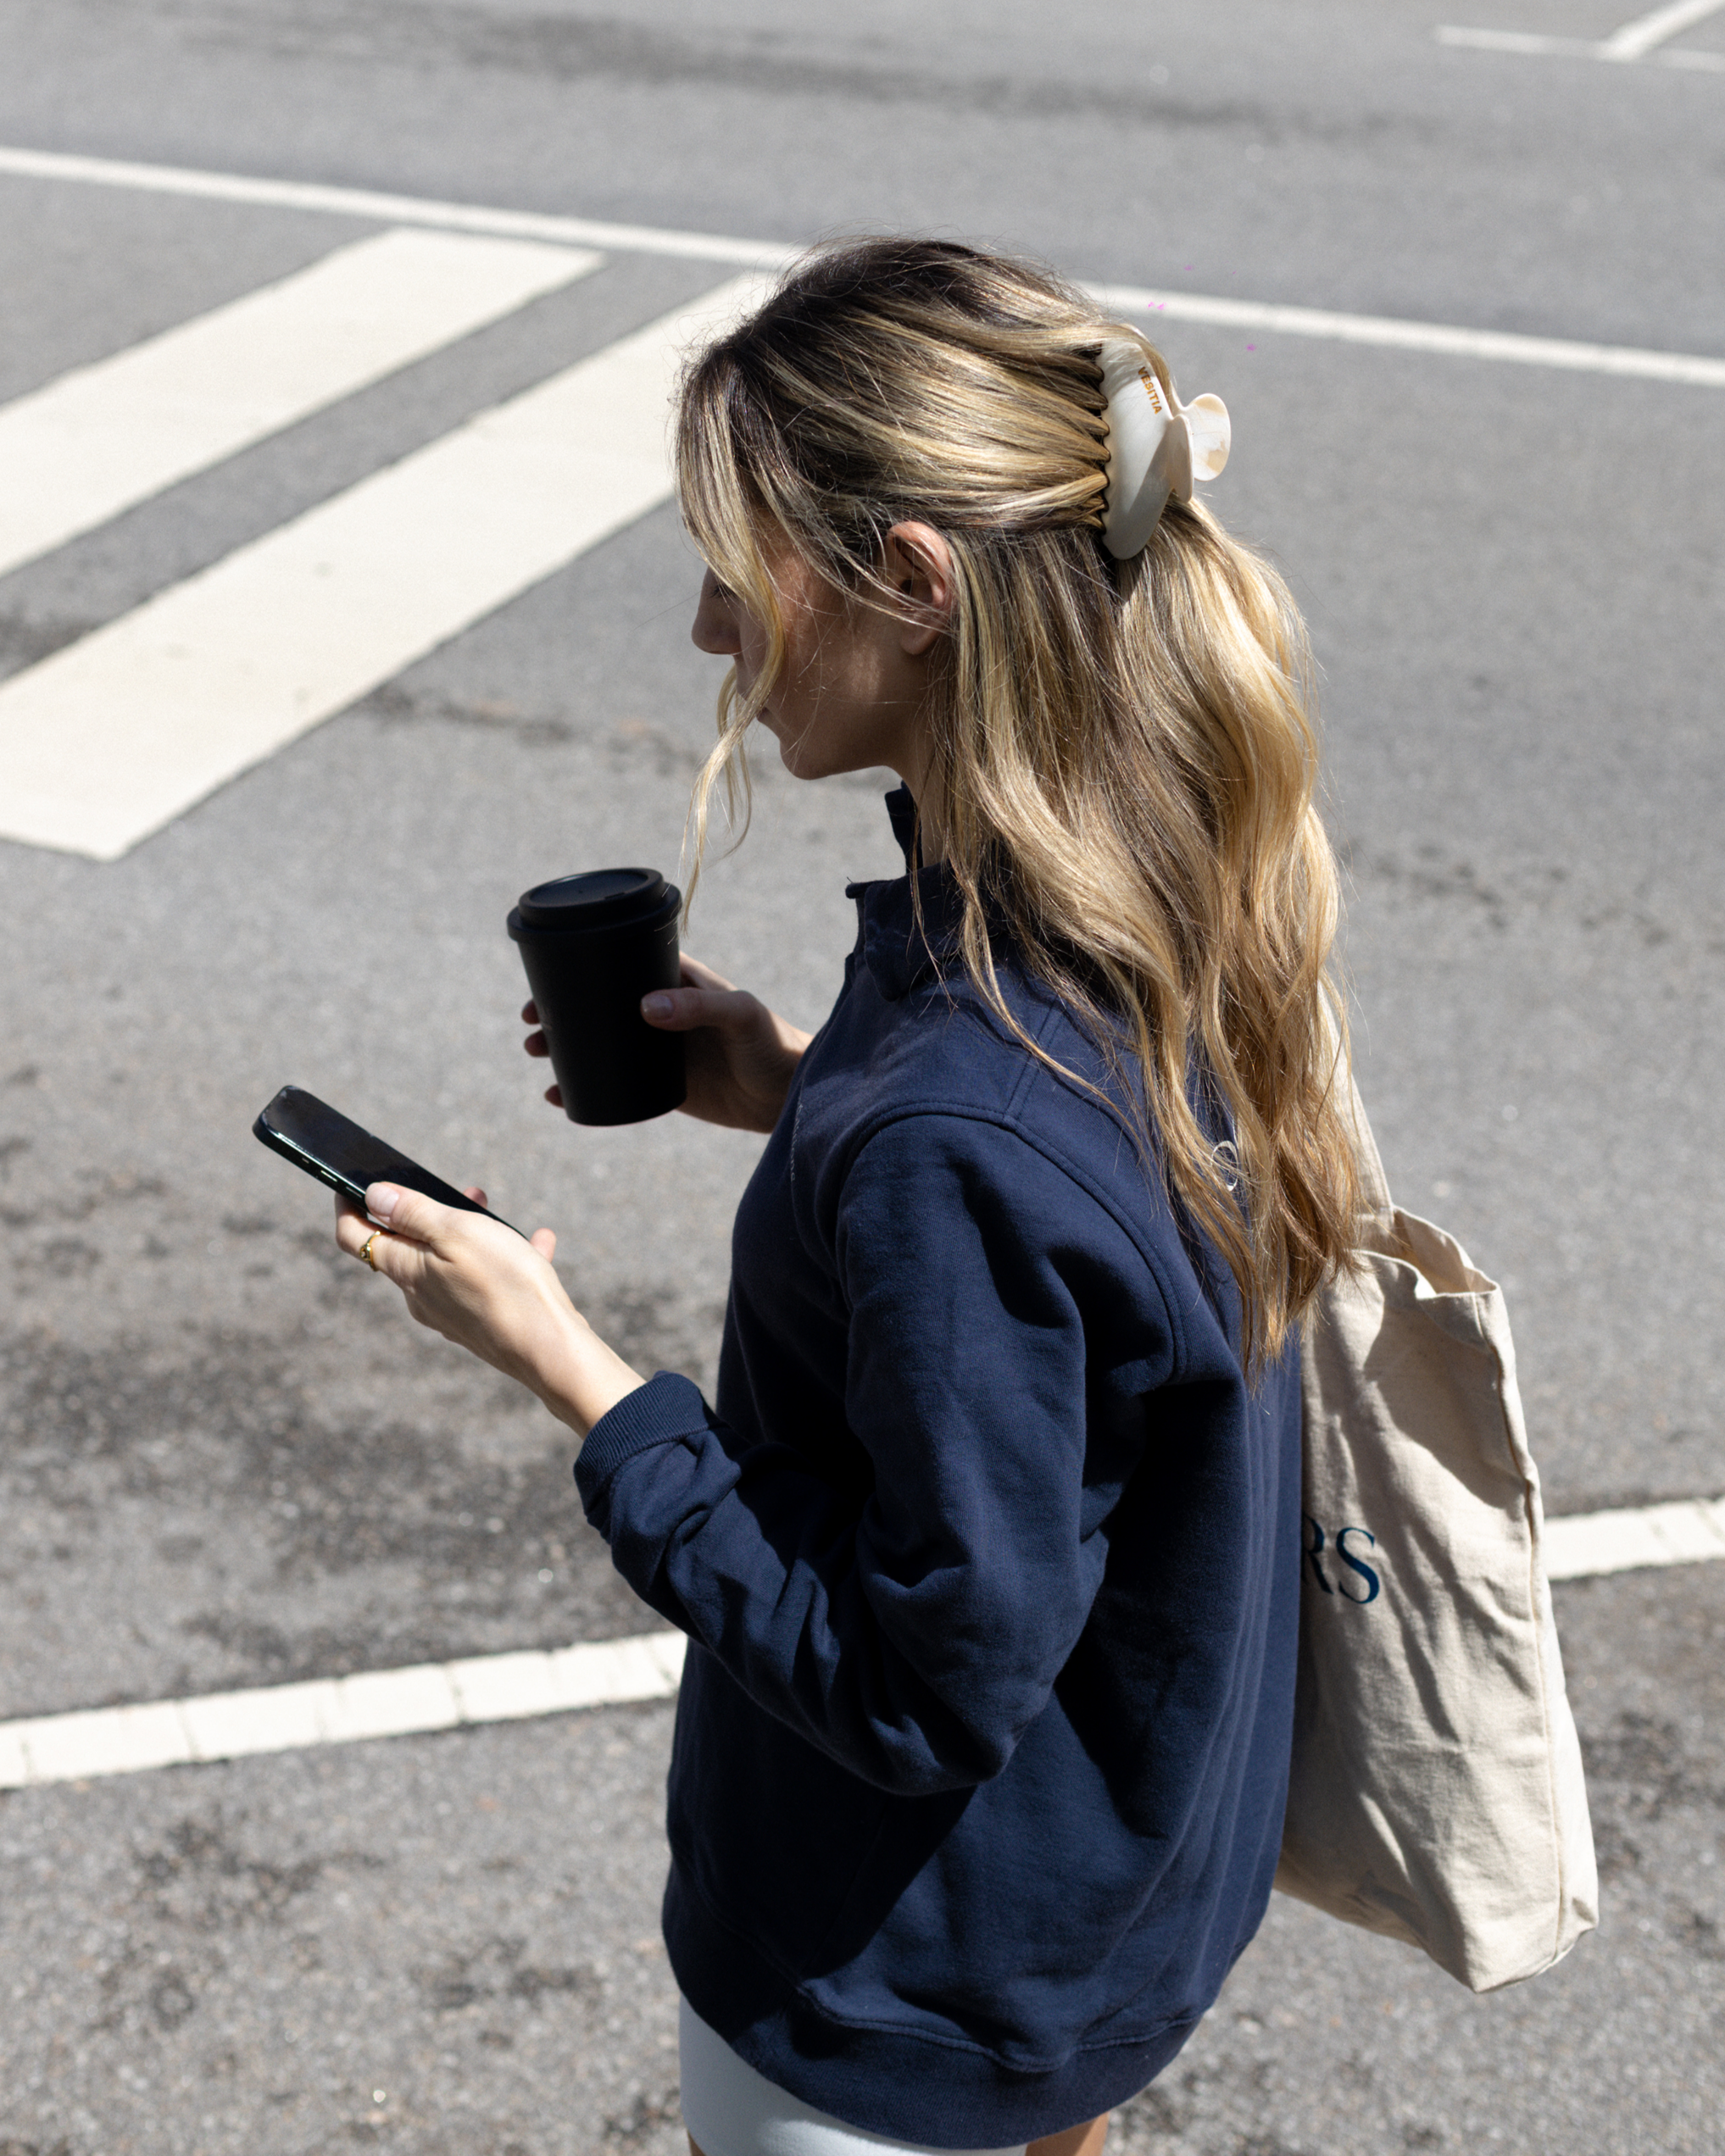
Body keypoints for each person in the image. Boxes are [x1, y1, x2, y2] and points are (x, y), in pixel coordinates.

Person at [334, 238, 1360, 2156]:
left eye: (738, 574)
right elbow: (1088, 1293)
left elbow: (908, 1684)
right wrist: (806, 1092)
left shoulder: (959, 1119)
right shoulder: (1141, 905)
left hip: (898, 1998)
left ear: (909, 584)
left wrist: (577, 1374)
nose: (711, 637)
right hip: (1091, 1920)